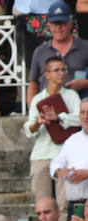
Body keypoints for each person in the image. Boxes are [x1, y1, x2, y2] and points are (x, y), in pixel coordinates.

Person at [26, 54, 80, 210]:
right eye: (56, 70)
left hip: (63, 154)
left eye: (63, 70)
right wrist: (38, 123)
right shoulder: (37, 99)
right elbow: (29, 129)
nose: (61, 73)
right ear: (47, 74)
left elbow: (80, 119)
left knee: (63, 205)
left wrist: (59, 117)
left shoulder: (71, 95)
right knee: (43, 205)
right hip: (41, 154)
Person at [26, 1, 88, 112]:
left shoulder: (85, 47)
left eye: (63, 23)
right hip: (48, 109)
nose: (59, 28)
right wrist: (33, 113)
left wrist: (85, 83)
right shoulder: (40, 51)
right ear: (49, 25)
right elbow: (33, 84)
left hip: (79, 110)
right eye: (55, 23)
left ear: (70, 23)